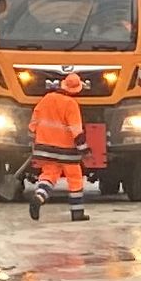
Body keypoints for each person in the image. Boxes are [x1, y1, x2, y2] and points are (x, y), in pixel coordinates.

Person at [25, 72, 96, 221]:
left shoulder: (46, 99)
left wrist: (33, 141)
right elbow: (76, 131)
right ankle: (77, 213)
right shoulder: (71, 104)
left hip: (45, 148)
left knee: (48, 176)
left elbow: (33, 123)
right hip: (67, 151)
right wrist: (85, 150)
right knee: (75, 178)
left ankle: (39, 197)